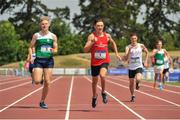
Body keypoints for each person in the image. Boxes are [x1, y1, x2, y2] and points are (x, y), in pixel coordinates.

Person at [83, 18, 121, 108]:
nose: (100, 27)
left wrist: (116, 53)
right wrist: (92, 42)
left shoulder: (107, 36)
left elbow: (113, 43)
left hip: (104, 61)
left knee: (102, 75)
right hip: (95, 62)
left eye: (101, 26)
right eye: (98, 26)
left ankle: (103, 92)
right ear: (95, 27)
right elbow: (85, 50)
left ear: (103, 26)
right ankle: (94, 96)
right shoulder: (91, 36)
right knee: (94, 82)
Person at [29, 16, 58, 109]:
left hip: (49, 61)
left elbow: (56, 49)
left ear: (49, 25)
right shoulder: (36, 35)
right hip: (39, 60)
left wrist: (53, 50)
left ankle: (42, 101)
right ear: (40, 25)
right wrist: (31, 56)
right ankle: (34, 73)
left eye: (46, 24)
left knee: (47, 82)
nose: (44, 25)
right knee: (37, 81)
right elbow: (30, 47)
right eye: (42, 24)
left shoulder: (53, 36)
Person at [123, 33, 149, 102]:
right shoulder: (128, 47)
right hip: (131, 67)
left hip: (139, 66)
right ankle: (132, 95)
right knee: (131, 83)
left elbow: (147, 52)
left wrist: (146, 61)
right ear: (130, 39)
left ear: (137, 38)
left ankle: (137, 83)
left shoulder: (141, 45)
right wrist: (128, 52)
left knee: (138, 78)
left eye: (135, 38)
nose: (133, 40)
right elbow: (125, 58)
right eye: (132, 38)